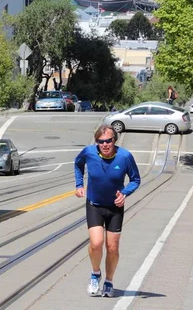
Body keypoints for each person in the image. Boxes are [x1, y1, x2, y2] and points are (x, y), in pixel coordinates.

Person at [74, 125, 140, 298]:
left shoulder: (125, 156)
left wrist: (125, 193)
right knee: (96, 244)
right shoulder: (89, 152)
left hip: (115, 208)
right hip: (95, 205)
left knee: (112, 247)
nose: (104, 144)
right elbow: (77, 164)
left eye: (108, 141)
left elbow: (135, 179)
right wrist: (79, 184)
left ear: (114, 140)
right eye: (101, 141)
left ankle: (109, 282)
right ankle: (95, 274)